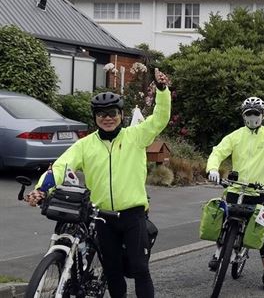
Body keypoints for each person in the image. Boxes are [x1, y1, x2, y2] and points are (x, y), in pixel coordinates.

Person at [26, 68, 171, 298]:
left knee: (140, 269)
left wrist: (162, 91)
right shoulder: (86, 145)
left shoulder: (136, 136)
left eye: (112, 112)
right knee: (113, 273)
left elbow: (160, 118)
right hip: (103, 218)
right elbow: (62, 166)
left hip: (133, 216)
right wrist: (42, 189)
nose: (108, 118)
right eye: (101, 114)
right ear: (95, 117)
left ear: (121, 114)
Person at [206, 94, 264, 291]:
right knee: (222, 220)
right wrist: (213, 168)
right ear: (243, 115)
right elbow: (218, 151)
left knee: (263, 233)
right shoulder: (235, 136)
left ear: (263, 115)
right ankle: (218, 253)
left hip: (260, 192)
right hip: (236, 188)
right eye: (248, 113)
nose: (252, 117)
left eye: (256, 113)